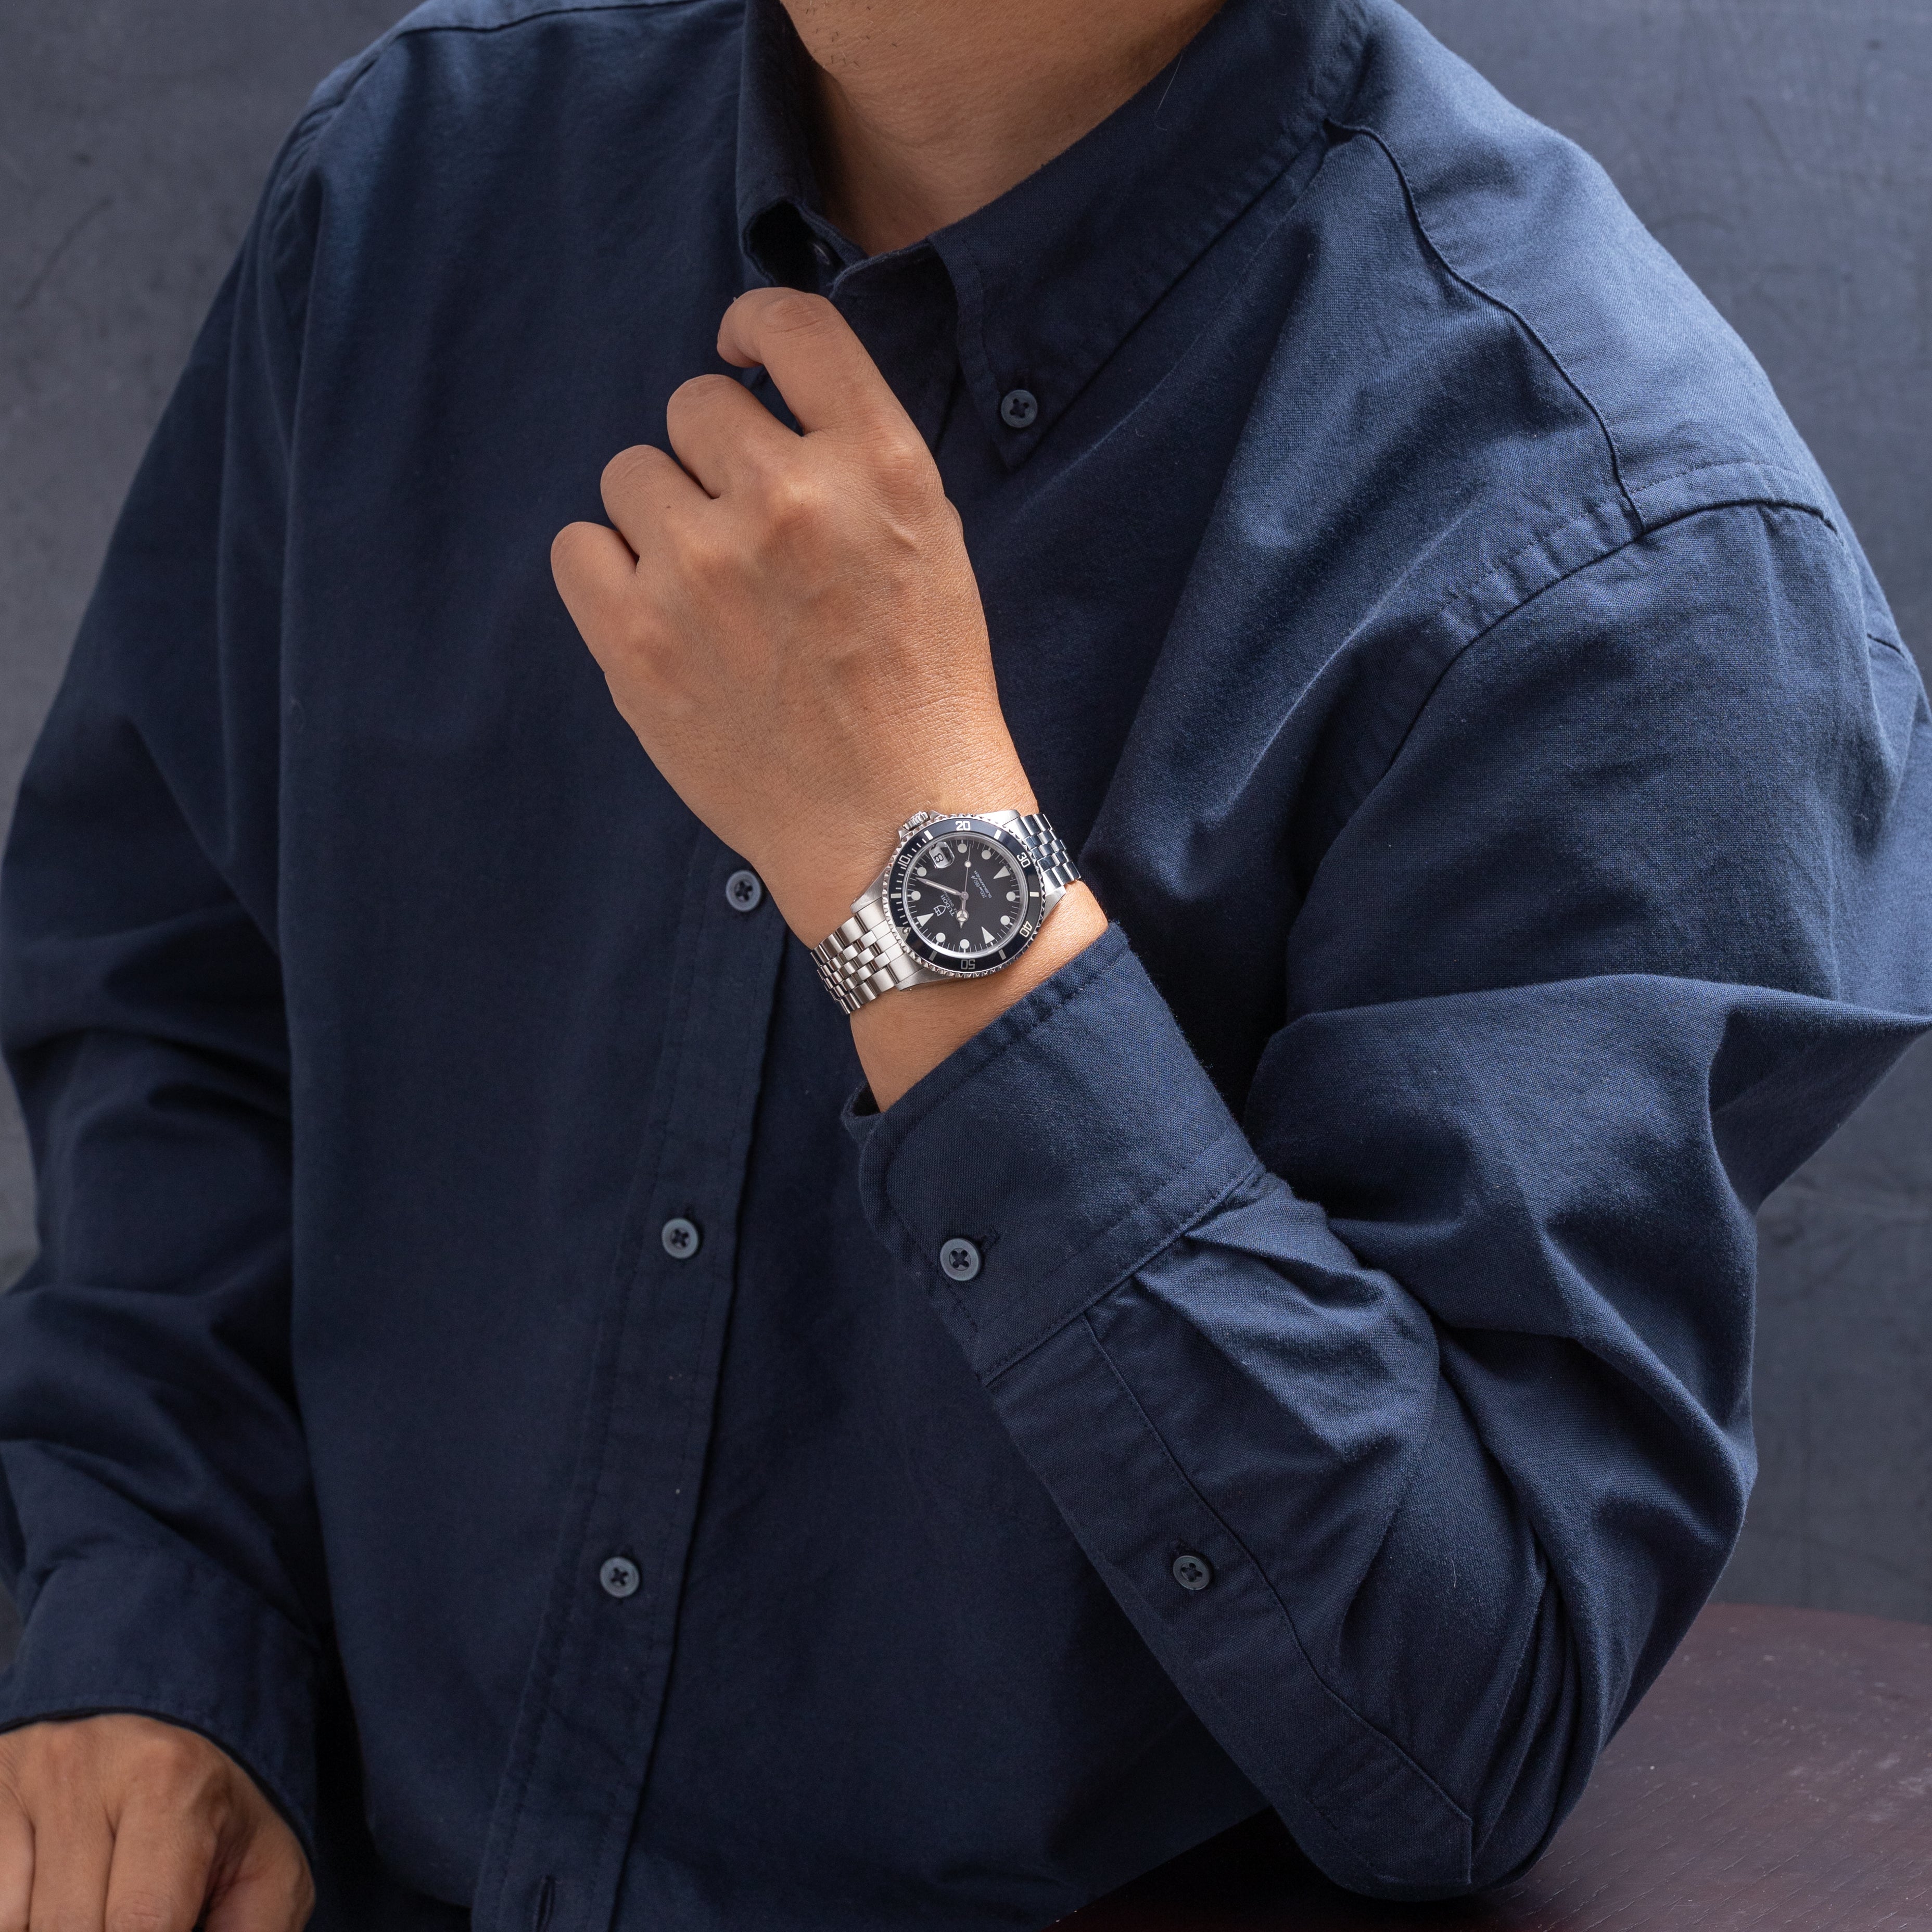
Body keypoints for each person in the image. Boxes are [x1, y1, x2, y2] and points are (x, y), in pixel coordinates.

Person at [2, 0, 1928, 1924]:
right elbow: (181, 1009)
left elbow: (1464, 1720)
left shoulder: (1636, 551)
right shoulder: (413, 178)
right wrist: (158, 1613)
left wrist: (924, 871)